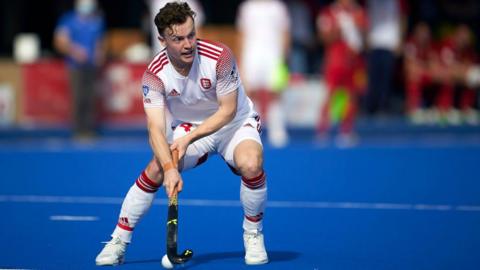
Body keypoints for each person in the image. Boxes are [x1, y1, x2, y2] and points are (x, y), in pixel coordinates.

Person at [95, 2, 269, 266]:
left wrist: (187, 139)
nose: (188, 44)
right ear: (162, 40)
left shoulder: (219, 56)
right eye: (178, 39)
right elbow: (154, 128)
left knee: (251, 163)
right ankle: (118, 240)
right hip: (188, 126)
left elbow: (228, 110)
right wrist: (170, 167)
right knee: (156, 168)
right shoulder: (154, 74)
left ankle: (253, 234)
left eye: (191, 35)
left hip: (234, 124)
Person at [236, 0, 291, 148]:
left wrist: (284, 58)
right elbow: (242, 34)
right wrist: (241, 59)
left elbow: (285, 33)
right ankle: (254, 130)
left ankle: (277, 131)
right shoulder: (246, 7)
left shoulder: (278, 7)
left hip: (274, 55)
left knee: (275, 93)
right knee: (251, 93)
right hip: (252, 55)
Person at [315, 0, 367, 146]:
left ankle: (346, 131)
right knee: (330, 95)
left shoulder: (358, 12)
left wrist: (357, 24)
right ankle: (322, 131)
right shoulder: (329, 13)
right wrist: (339, 29)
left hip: (354, 61)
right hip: (336, 61)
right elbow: (323, 38)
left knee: (352, 96)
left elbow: (365, 37)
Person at [54, 0, 105, 138]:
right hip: (75, 66)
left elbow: (99, 42)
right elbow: (60, 41)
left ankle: (89, 129)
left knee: (90, 98)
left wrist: (99, 53)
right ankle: (78, 130)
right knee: (78, 97)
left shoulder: (97, 20)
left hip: (91, 66)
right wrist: (74, 51)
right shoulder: (68, 19)